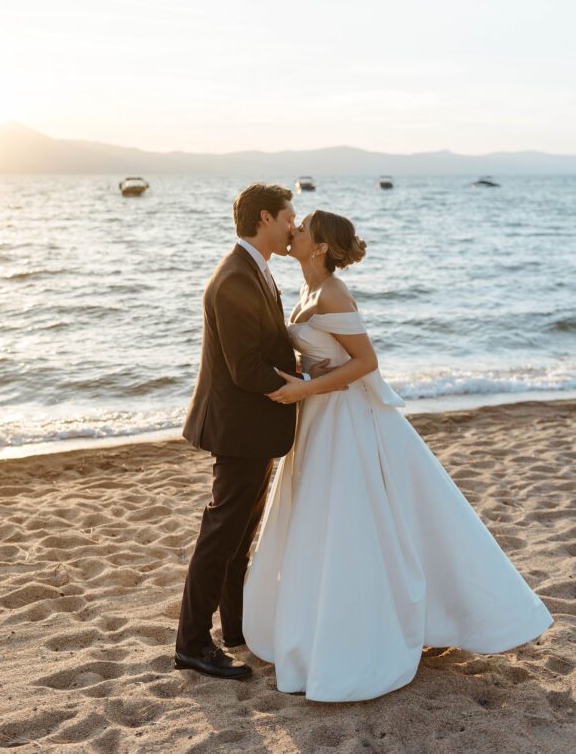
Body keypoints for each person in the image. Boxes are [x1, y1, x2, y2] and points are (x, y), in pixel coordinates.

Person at [242, 209, 553, 701]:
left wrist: (307, 389)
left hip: (343, 419)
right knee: (320, 521)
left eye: (301, 229)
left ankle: (369, 632)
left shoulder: (333, 294)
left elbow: (367, 362)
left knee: (351, 521)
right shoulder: (306, 291)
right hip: (319, 418)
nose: (293, 232)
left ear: (320, 247)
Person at [175, 184, 330, 680]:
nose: (294, 226)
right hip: (237, 428)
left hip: (252, 427)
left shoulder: (255, 270)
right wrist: (307, 384)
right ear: (266, 219)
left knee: (238, 537)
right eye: (289, 217)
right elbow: (246, 369)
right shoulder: (234, 279)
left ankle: (236, 631)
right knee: (220, 535)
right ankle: (192, 644)